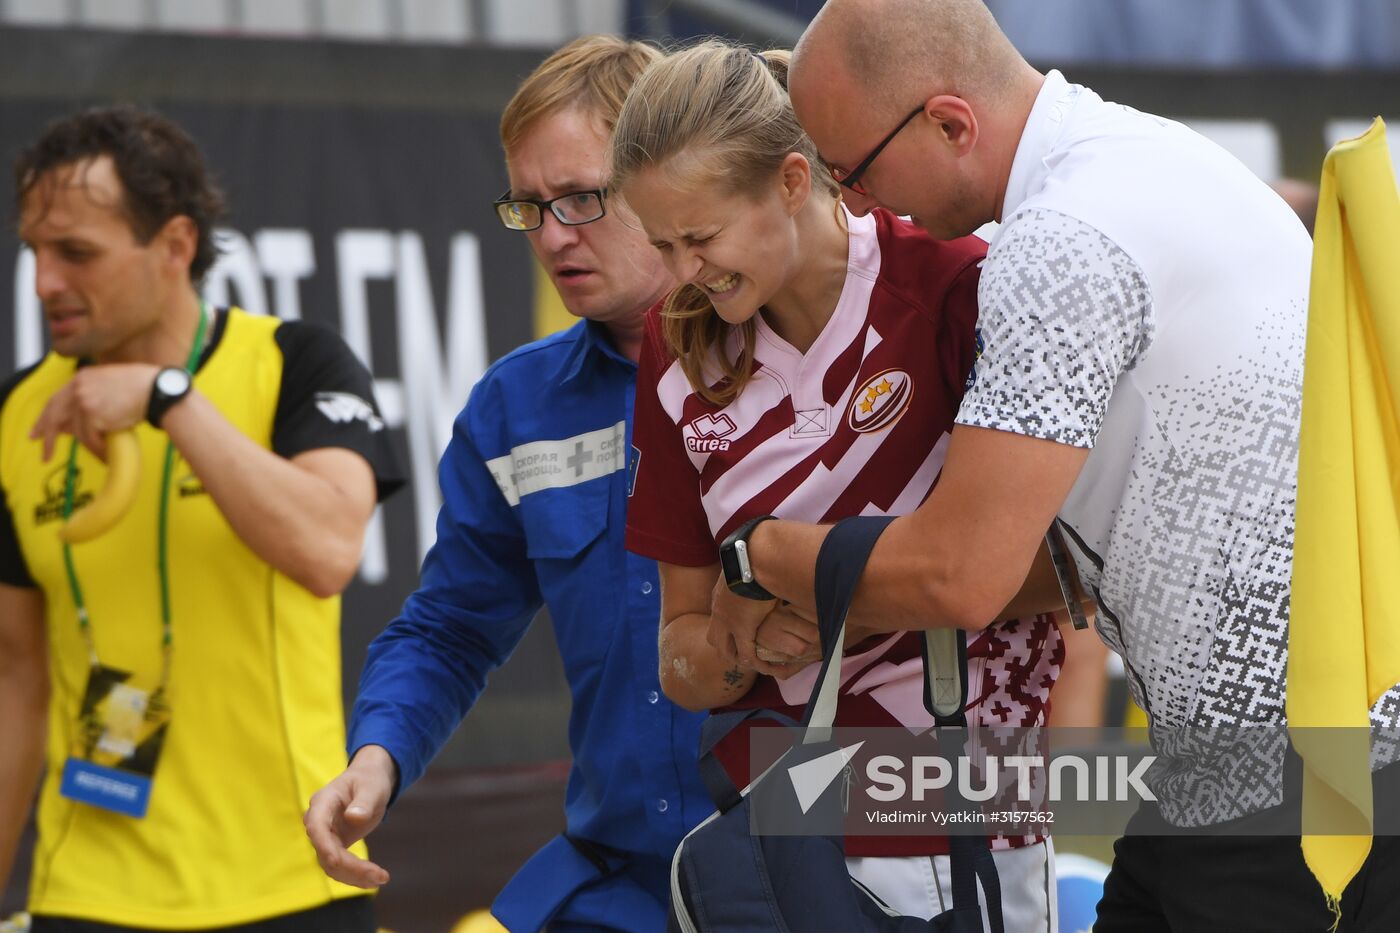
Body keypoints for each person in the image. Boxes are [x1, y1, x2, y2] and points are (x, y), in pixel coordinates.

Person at [695, 0, 1398, 929]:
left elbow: (961, 576)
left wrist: (760, 558)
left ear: (950, 122)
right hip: (1287, 755)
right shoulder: (1145, 153)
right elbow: (1085, 550)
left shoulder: (1059, 242)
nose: (852, 203)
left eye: (851, 169)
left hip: (1284, 774)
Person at [610, 40, 1065, 930]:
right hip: (791, 831)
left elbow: (1075, 567)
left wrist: (819, 585)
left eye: (699, 237)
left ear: (790, 180)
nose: (682, 272)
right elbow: (684, 658)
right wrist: (741, 638)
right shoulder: (677, 345)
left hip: (971, 807)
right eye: (662, 244)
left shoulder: (957, 285)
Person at [302, 35, 711, 933]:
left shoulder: (801, 361)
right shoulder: (513, 406)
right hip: (622, 885)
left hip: (818, 871)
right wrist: (377, 758)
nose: (555, 234)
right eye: (530, 207)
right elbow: (451, 626)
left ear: (670, 176)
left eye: (581, 197)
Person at [0, 105, 401, 931]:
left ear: (176, 245)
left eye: (76, 252)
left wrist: (164, 399)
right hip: (87, 891)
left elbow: (327, 547)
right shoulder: (18, 414)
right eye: (35, 250)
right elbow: (15, 678)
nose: (43, 281)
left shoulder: (295, 360)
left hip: (293, 877)